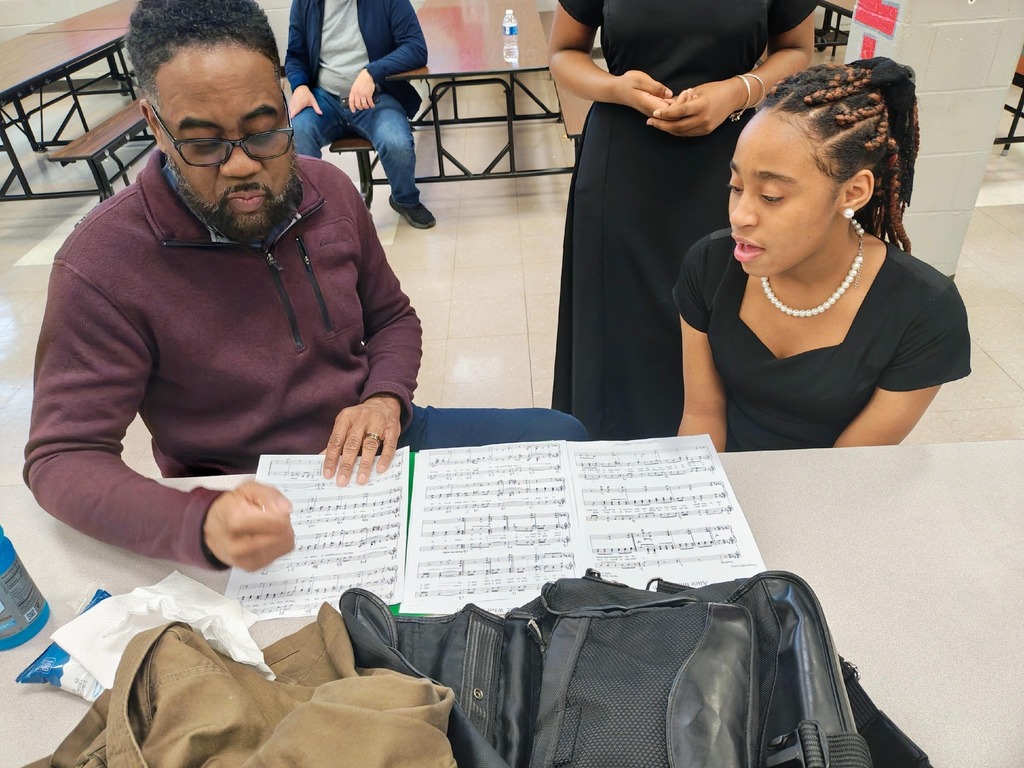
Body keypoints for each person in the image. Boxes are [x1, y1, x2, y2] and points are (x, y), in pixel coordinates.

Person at [24, 0, 584, 573]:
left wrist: (385, 397)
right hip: (251, 493)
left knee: (562, 439)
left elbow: (391, 318)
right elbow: (63, 457)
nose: (242, 166)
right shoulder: (102, 264)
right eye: (204, 143)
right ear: (155, 126)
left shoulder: (327, 192)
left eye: (264, 131)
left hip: (377, 442)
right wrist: (197, 524)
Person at [549, 0, 817, 441]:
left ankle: (714, 457)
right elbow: (563, 53)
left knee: (720, 312)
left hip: (732, 161)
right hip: (625, 160)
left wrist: (738, 90)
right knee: (620, 325)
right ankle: (613, 466)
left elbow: (796, 51)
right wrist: (616, 88)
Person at [674, 58, 971, 451]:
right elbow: (702, 415)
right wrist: (702, 505)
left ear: (853, 192)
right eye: (736, 186)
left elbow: (847, 469)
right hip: (723, 480)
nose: (740, 216)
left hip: (833, 491)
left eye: (771, 196)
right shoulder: (711, 264)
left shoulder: (924, 311)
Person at [285, 0, 436, 229]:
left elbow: (416, 48)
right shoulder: (305, 3)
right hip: (324, 98)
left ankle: (405, 200)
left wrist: (372, 72)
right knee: (297, 135)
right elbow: (295, 55)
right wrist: (300, 86)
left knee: (396, 142)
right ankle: (312, 209)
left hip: (377, 98)